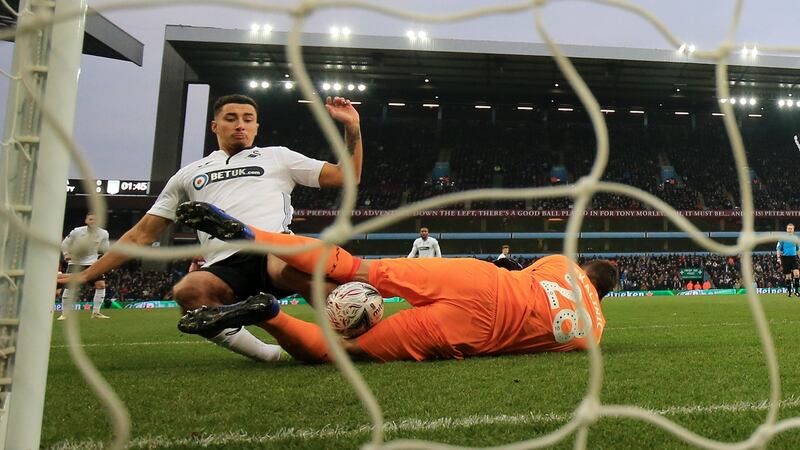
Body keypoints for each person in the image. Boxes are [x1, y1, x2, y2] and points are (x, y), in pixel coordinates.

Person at [58, 94, 363, 363]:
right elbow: (141, 235)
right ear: (215, 126)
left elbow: (344, 176)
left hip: (274, 249)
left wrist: (352, 128)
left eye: (248, 119)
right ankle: (267, 354)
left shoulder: (278, 157)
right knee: (188, 292)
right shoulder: (189, 174)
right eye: (231, 119)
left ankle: (355, 340)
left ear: (257, 127)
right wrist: (86, 274)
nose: (240, 125)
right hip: (224, 265)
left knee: (295, 266)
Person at [175, 202, 617, 363]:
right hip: (482, 328)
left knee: (354, 268)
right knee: (342, 351)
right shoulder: (593, 333)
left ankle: (253, 234)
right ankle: (269, 313)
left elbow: (518, 274)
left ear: (586, 270)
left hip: (478, 279)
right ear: (603, 295)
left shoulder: (560, 263)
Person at [57, 212, 111, 320]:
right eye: (91, 219)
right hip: (76, 263)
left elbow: (104, 249)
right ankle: (65, 314)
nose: (93, 221)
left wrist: (102, 259)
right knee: (70, 287)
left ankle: (96, 313)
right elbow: (65, 244)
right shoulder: (77, 231)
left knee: (100, 285)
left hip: (92, 263)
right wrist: (66, 254)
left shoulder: (104, 233)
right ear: (86, 221)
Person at [776, 223, 800, 297]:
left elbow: (798, 250)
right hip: (785, 258)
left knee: (797, 274)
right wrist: (778, 258)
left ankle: (796, 291)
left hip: (794, 258)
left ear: (793, 230)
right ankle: (789, 292)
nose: (790, 230)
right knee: (788, 277)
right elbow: (778, 249)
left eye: (791, 228)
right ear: (786, 229)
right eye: (788, 228)